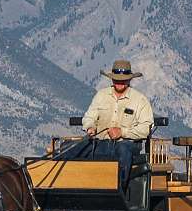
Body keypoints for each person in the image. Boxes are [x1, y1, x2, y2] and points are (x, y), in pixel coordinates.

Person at [63, 60, 154, 189]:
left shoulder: (140, 100)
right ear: (111, 79)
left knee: (123, 150)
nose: (120, 82)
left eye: (123, 80)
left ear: (129, 80)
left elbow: (145, 129)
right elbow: (89, 117)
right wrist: (90, 127)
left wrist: (122, 132)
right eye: (116, 79)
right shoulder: (101, 95)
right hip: (100, 143)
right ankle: (63, 187)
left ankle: (118, 191)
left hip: (128, 145)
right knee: (68, 148)